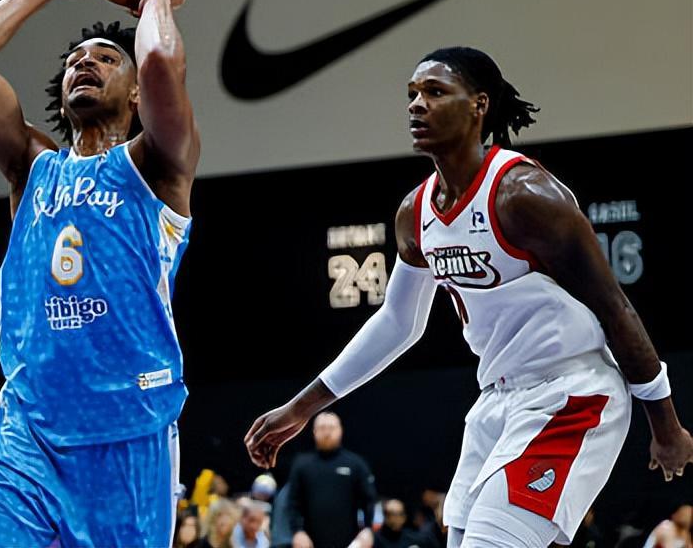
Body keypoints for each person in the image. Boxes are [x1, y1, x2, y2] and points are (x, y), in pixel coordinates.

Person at [247, 47, 693, 548]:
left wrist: (665, 424)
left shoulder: (525, 196)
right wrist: (301, 408)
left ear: (479, 105)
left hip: (572, 393)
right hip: (497, 399)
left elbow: (615, 309)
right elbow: (397, 323)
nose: (417, 104)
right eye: (412, 94)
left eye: (435, 92)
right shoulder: (415, 214)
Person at [0, 0, 199, 548]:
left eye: (107, 59)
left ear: (136, 92)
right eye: (76, 60)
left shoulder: (157, 166)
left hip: (129, 427)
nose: (86, 63)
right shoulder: (31, 167)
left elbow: (161, 64)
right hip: (28, 425)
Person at [280, 412, 375, 548]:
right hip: (309, 542)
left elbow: (369, 501)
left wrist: (367, 529)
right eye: (322, 428)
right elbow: (292, 503)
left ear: (340, 430)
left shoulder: (356, 464)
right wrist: (297, 531)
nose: (327, 432)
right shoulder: (301, 464)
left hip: (349, 541)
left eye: (331, 428)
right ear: (314, 431)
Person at [374, 499, 439, 548]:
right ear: (385, 517)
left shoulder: (411, 537)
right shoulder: (376, 539)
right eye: (391, 514)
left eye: (400, 514)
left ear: (404, 517)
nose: (396, 519)